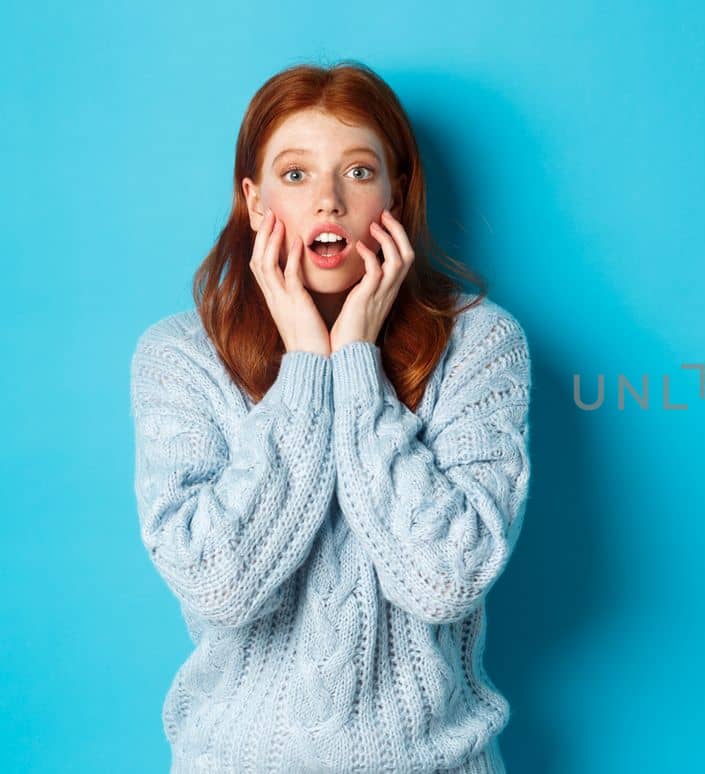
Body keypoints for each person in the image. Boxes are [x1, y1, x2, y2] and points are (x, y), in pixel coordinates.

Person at [129, 60, 531, 773]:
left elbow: (446, 581)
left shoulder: (480, 343)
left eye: (357, 171)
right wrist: (307, 373)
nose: (328, 203)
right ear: (254, 202)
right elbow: (220, 587)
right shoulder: (178, 358)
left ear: (397, 193)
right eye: (295, 175)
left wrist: (355, 362)